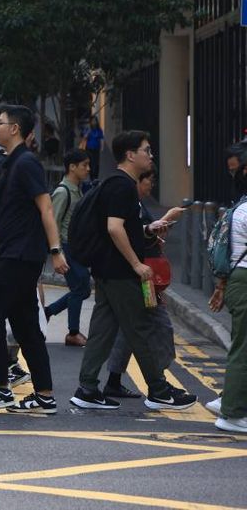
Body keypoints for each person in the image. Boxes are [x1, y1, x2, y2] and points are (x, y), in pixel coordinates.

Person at [70, 132, 196, 412]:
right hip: (120, 272)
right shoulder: (123, 186)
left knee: (103, 329)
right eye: (146, 150)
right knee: (140, 328)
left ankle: (87, 388)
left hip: (107, 269)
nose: (150, 155)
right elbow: (114, 228)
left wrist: (149, 228)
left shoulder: (115, 183)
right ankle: (159, 390)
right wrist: (137, 264)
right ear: (130, 155)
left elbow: (122, 227)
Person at [0, 105, 68, 415]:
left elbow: (46, 208)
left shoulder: (26, 163)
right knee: (25, 325)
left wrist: (55, 250)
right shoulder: (11, 164)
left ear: (14, 129)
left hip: (18, 255)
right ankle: (44, 395)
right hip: (14, 252)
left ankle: (0, 388)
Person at [103, 167, 184, 399]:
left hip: (141, 277)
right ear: (138, 182)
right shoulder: (131, 206)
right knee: (160, 327)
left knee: (128, 331)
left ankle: (113, 381)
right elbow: (134, 235)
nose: (151, 186)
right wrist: (167, 218)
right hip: (142, 277)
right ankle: (159, 384)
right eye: (149, 181)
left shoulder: (137, 206)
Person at [208, 156, 247, 433]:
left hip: (235, 280)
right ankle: (232, 413)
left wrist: (220, 288)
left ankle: (229, 403)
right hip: (244, 281)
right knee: (242, 350)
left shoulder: (238, 209)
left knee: (240, 346)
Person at [42, 150, 92, 346]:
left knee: (83, 289)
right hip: (66, 247)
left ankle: (49, 311)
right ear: (72, 167)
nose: (88, 169)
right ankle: (73, 332)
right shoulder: (63, 191)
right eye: (84, 165)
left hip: (76, 247)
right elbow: (52, 222)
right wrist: (57, 252)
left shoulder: (77, 189)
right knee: (80, 287)